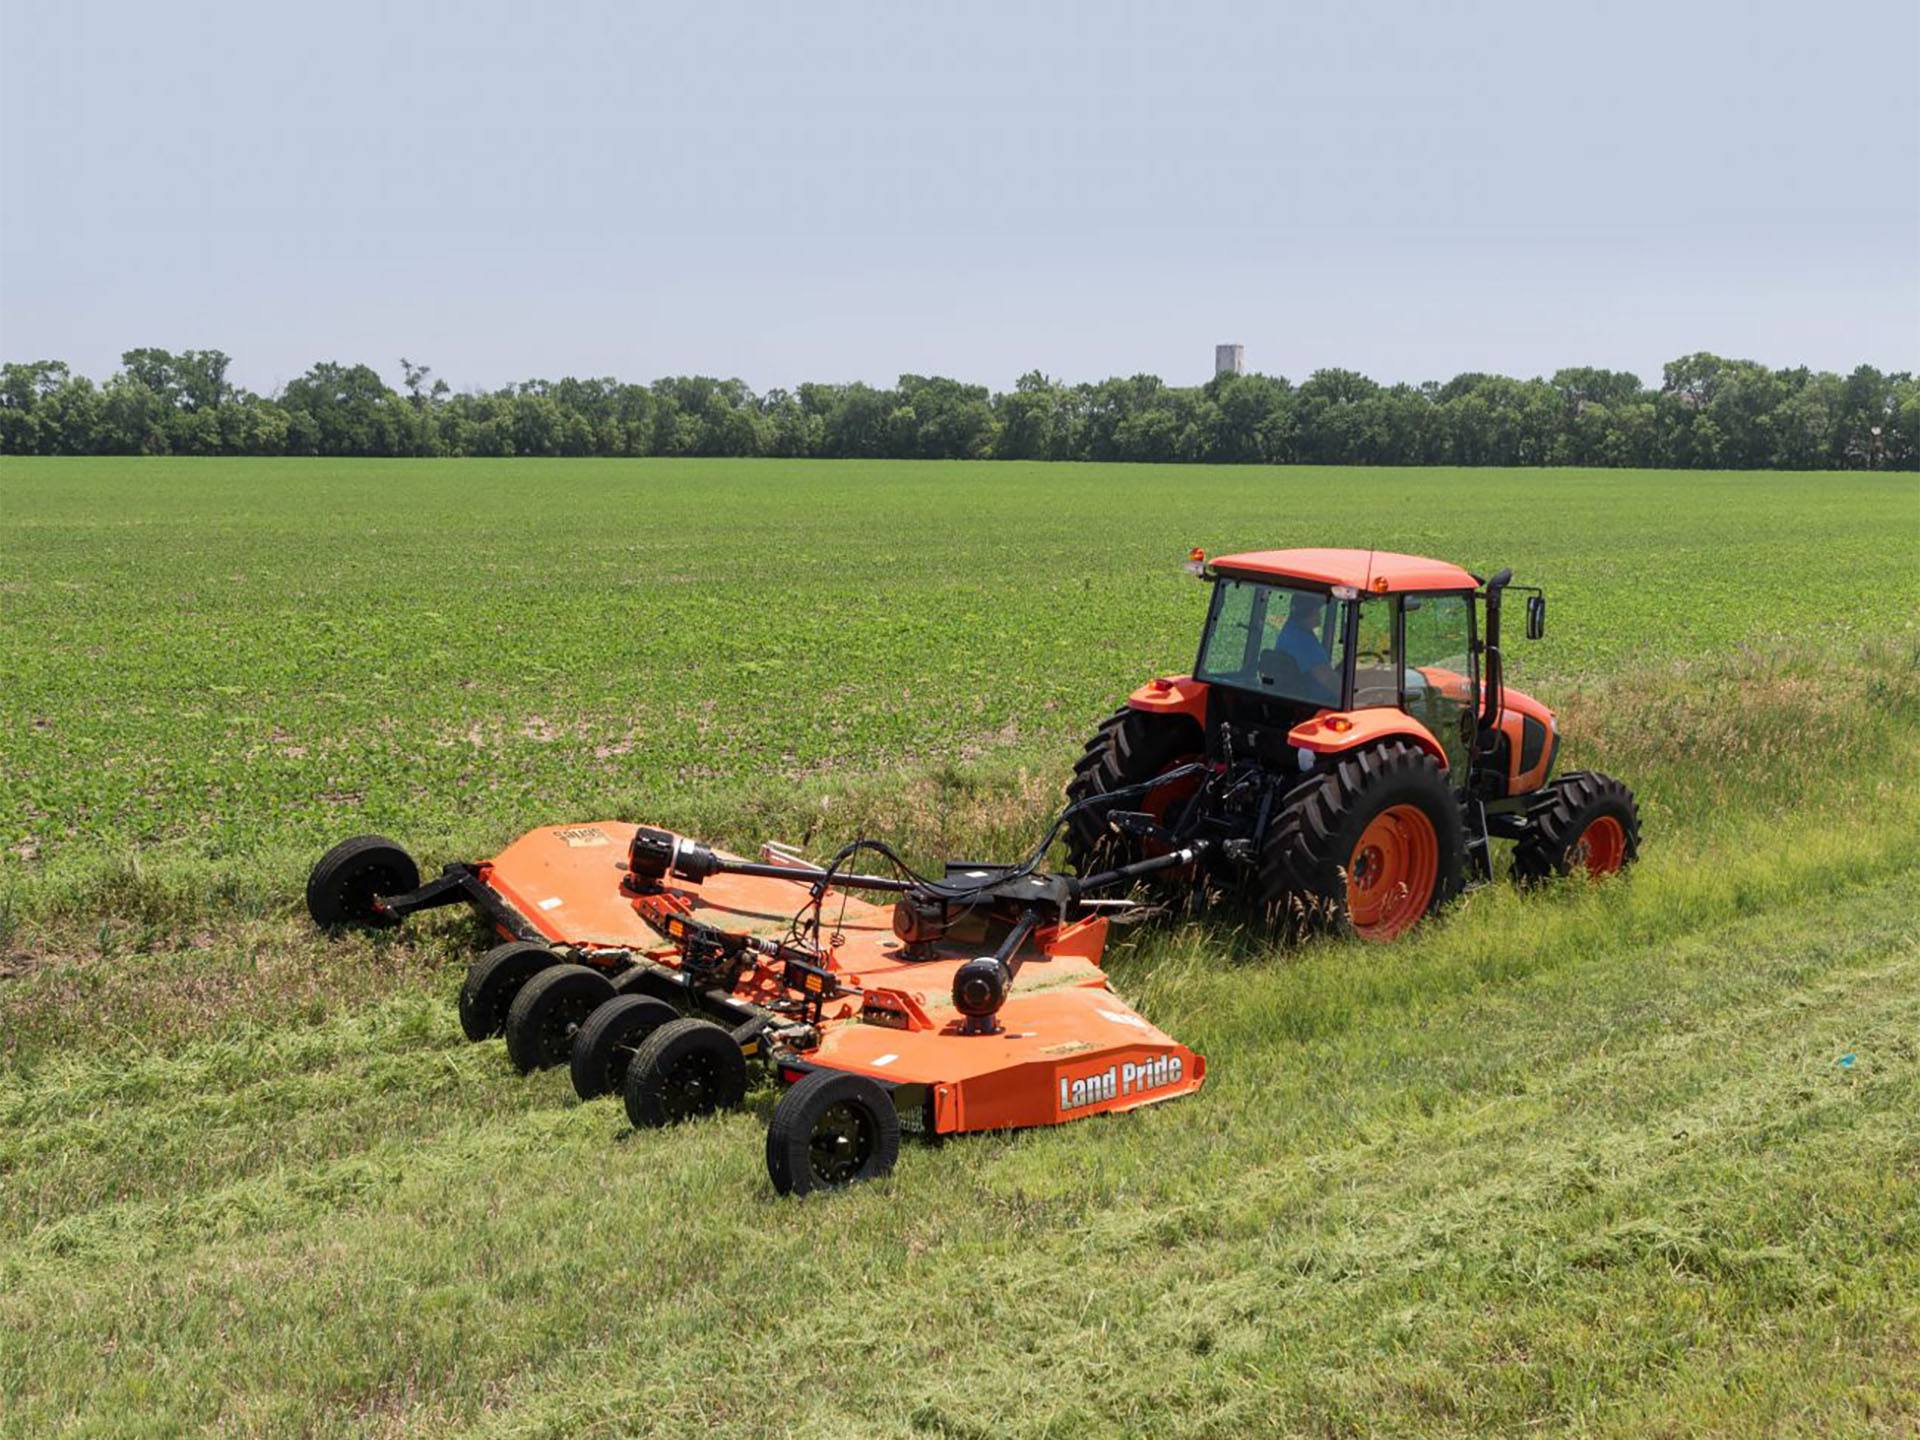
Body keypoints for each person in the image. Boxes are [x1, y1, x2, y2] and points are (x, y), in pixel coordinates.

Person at [1264, 591, 1340, 702]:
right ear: (1313, 611)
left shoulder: (1291, 630)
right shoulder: (1303, 642)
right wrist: (1354, 698)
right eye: (1318, 608)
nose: (1320, 613)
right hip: (1319, 702)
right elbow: (1328, 679)